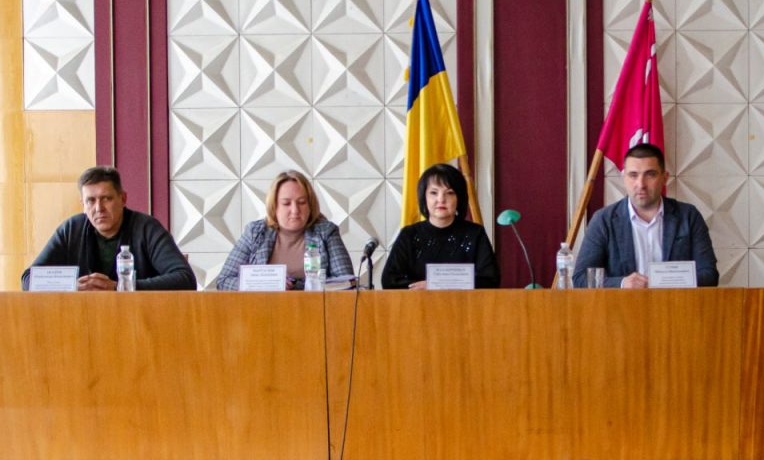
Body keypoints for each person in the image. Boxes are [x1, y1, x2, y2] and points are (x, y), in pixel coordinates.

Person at [21, 166, 196, 291]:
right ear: (83, 205)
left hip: (139, 318)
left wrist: (120, 287)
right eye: (91, 201)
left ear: (123, 198)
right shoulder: (71, 230)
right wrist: (71, 286)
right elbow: (29, 279)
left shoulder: (146, 228)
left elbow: (185, 279)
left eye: (106, 199)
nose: (99, 208)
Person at [573, 143, 719, 288]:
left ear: (664, 178)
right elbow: (581, 278)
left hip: (675, 302)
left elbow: (710, 275)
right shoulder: (603, 220)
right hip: (623, 303)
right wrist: (622, 283)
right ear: (624, 178)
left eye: (650, 175)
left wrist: (668, 281)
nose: (641, 184)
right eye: (633, 175)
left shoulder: (688, 216)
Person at [216, 170, 354, 290]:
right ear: (274, 206)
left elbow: (348, 284)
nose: (295, 210)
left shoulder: (326, 232)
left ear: (310, 205)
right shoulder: (255, 232)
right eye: (286, 203)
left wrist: (296, 285)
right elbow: (224, 281)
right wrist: (268, 284)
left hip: (315, 309)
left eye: (301, 202)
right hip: (261, 309)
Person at [381, 163, 499, 289]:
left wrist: (436, 285)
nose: (441, 199)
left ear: (459, 198)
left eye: (449, 193)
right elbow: (389, 280)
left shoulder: (475, 234)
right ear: (424, 197)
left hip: (463, 302)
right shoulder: (409, 235)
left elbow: (491, 280)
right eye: (434, 193)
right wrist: (423, 287)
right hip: (418, 301)